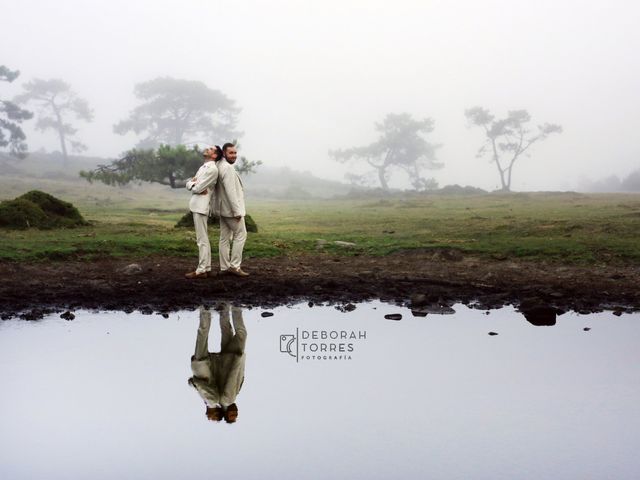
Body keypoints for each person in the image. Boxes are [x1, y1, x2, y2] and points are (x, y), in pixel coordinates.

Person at [188, 304, 247, 424]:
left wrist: (238, 361)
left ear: (224, 413)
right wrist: (192, 383)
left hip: (226, 361)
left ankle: (233, 306)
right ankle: (221, 308)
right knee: (223, 331)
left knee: (240, 333)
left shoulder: (226, 400)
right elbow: (211, 383)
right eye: (236, 414)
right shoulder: (223, 400)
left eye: (232, 414)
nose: (236, 412)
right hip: (214, 364)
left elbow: (231, 378)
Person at [184, 146, 221, 279]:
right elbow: (190, 183)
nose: (207, 149)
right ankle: (207, 268)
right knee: (203, 238)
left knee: (202, 240)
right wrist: (191, 184)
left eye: (210, 149)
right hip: (196, 204)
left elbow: (198, 187)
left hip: (201, 206)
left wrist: (193, 185)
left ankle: (201, 270)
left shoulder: (212, 169)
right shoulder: (203, 167)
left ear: (215, 155)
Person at [214, 143, 249, 276]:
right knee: (241, 235)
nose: (234, 155)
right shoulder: (227, 168)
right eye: (231, 153)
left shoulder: (219, 165)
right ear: (224, 153)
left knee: (224, 238)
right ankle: (235, 266)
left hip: (222, 208)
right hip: (230, 210)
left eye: (235, 153)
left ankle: (224, 267)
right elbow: (231, 192)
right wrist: (237, 211)